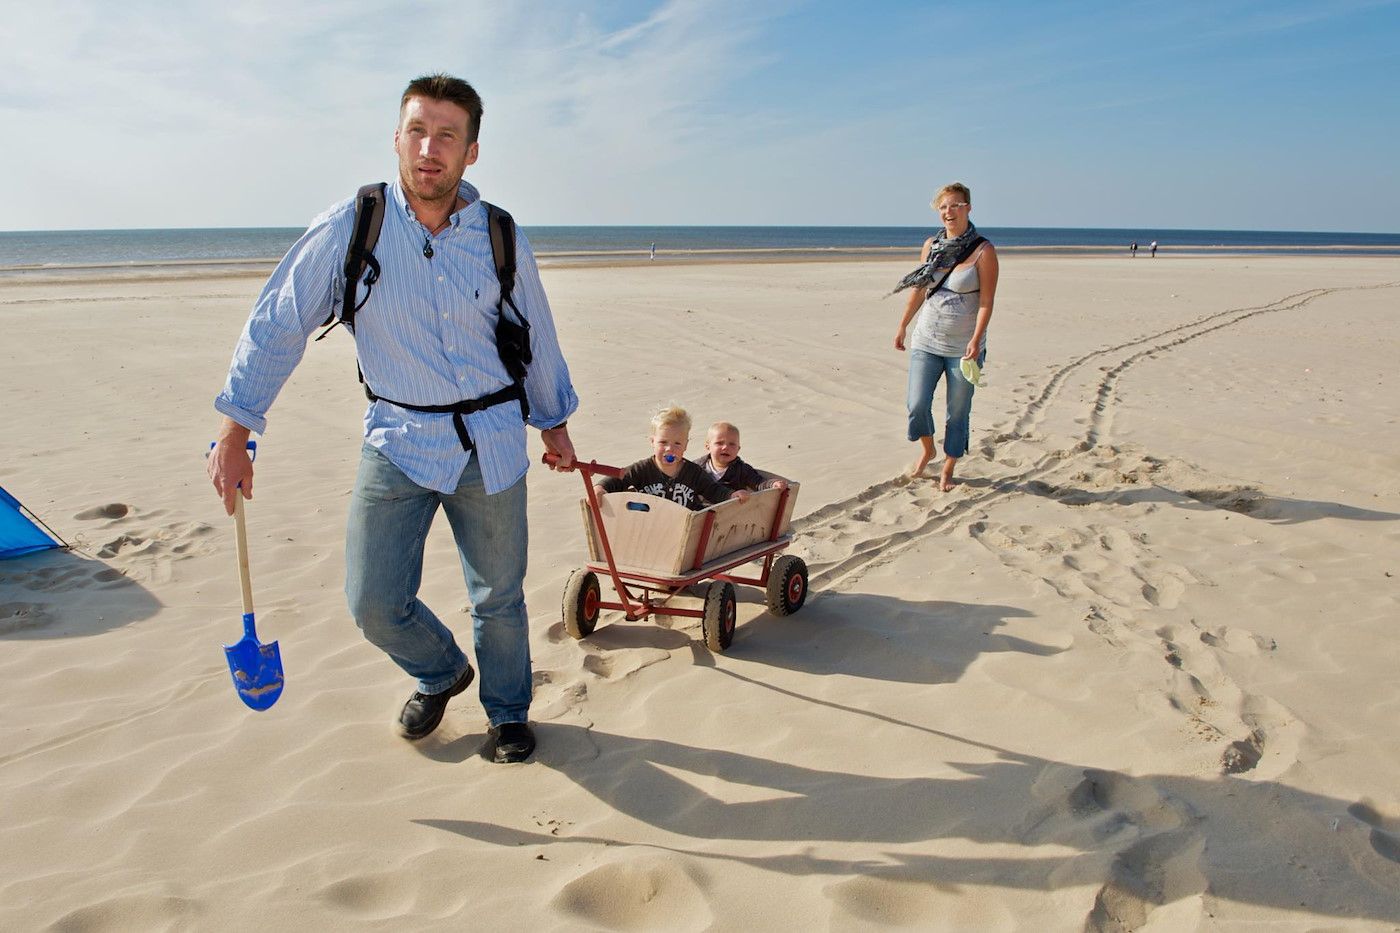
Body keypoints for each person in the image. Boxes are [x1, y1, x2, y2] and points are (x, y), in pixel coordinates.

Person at [206, 74, 578, 764]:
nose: (429, 148)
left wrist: (553, 421)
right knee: (373, 600)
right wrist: (237, 426)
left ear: (471, 152)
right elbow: (279, 322)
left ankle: (508, 712)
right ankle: (440, 671)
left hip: (491, 441)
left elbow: (537, 332)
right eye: (417, 130)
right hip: (399, 440)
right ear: (396, 138)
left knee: (498, 596)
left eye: (446, 135)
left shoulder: (499, 233)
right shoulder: (355, 226)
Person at [893, 182, 999, 491]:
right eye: (943, 207)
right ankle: (928, 449)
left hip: (964, 347)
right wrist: (902, 325)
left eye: (955, 205)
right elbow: (920, 289)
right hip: (927, 339)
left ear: (968, 208)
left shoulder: (984, 251)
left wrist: (976, 339)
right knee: (916, 404)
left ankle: (949, 466)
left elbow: (986, 301)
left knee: (958, 410)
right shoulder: (930, 246)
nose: (948, 212)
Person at [596, 406, 748, 510]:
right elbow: (618, 478)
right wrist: (600, 488)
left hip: (685, 529)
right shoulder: (642, 469)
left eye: (677, 443)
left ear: (685, 446)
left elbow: (714, 490)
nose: (670, 448)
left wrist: (731, 495)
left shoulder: (693, 472)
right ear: (652, 442)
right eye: (663, 442)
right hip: (651, 525)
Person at [694, 421, 787, 492]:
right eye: (719, 443)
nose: (726, 447)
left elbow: (758, 482)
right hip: (702, 512)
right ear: (708, 446)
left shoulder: (742, 469)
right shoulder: (696, 467)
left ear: (738, 449)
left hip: (733, 511)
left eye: (732, 444)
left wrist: (772, 484)